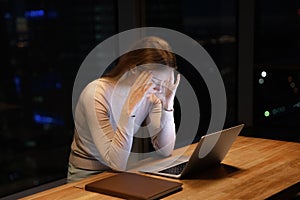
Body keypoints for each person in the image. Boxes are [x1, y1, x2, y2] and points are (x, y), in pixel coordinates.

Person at [67, 36, 180, 182]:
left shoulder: (152, 94)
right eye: (155, 81)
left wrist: (167, 106)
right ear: (133, 68)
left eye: (165, 82)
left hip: (122, 173)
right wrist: (129, 110)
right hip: (87, 176)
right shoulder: (96, 94)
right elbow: (116, 163)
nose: (159, 88)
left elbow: (165, 150)